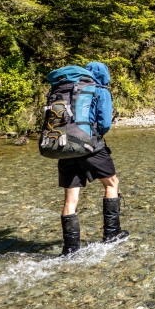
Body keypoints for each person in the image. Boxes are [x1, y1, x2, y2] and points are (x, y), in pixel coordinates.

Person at [58, 61, 129, 256]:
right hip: (91, 146)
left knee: (71, 198)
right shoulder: (100, 89)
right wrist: (97, 135)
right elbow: (104, 122)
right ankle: (112, 234)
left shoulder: (69, 88)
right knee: (111, 184)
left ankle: (70, 249)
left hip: (66, 147)